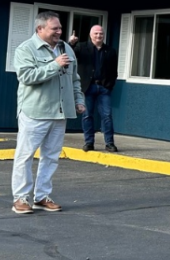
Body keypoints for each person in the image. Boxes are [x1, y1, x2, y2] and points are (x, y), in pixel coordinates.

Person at [11, 11, 85, 214]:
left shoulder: (66, 48)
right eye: (55, 28)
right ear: (40, 29)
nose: (59, 32)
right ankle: (20, 198)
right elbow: (26, 77)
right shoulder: (26, 49)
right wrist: (54, 65)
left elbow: (74, 79)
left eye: (60, 28)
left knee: (51, 156)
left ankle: (41, 197)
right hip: (35, 111)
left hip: (60, 113)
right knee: (25, 156)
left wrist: (79, 100)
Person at [68, 24, 120, 153]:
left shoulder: (110, 51)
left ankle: (109, 143)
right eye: (96, 33)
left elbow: (114, 71)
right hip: (87, 87)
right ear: (91, 35)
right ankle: (89, 142)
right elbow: (69, 55)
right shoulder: (81, 47)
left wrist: (109, 85)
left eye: (101, 33)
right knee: (87, 115)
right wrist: (71, 44)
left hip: (103, 88)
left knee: (107, 116)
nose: (98, 36)